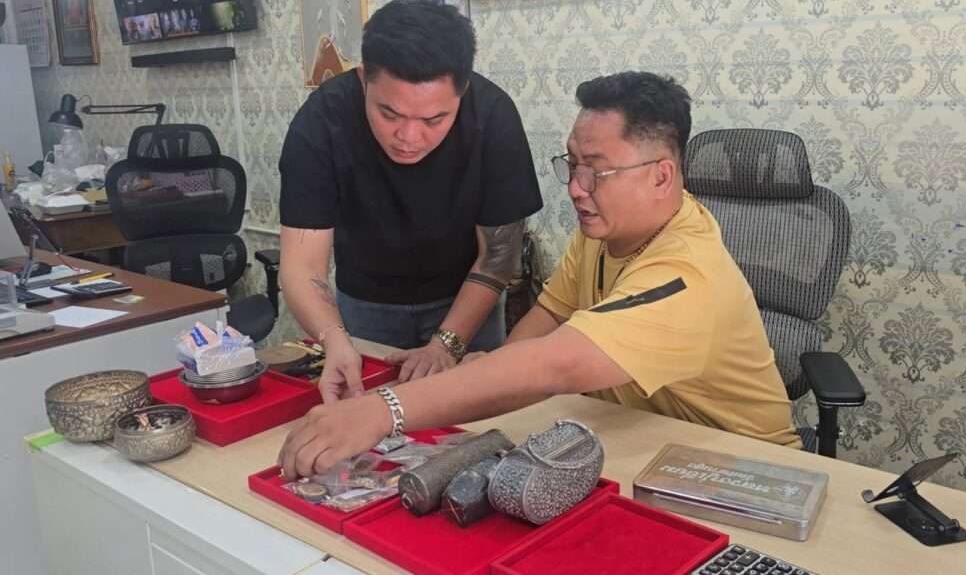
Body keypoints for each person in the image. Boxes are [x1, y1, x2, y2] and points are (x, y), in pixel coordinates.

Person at [279, 71, 801, 480]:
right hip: (638, 441)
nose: (575, 188)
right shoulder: (606, 232)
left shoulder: (687, 275)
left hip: (739, 467)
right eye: (571, 164)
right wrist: (490, 365)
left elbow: (556, 364)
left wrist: (381, 411)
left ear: (662, 175)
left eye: (595, 170)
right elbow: (551, 312)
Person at [278, 0, 542, 402]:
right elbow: (302, 265)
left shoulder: (493, 115)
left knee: (469, 417)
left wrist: (447, 344)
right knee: (365, 413)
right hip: (364, 300)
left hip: (466, 299)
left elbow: (498, 256)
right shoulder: (322, 121)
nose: (408, 138)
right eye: (390, 114)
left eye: (434, 120)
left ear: (463, 90)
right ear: (364, 78)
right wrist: (333, 339)